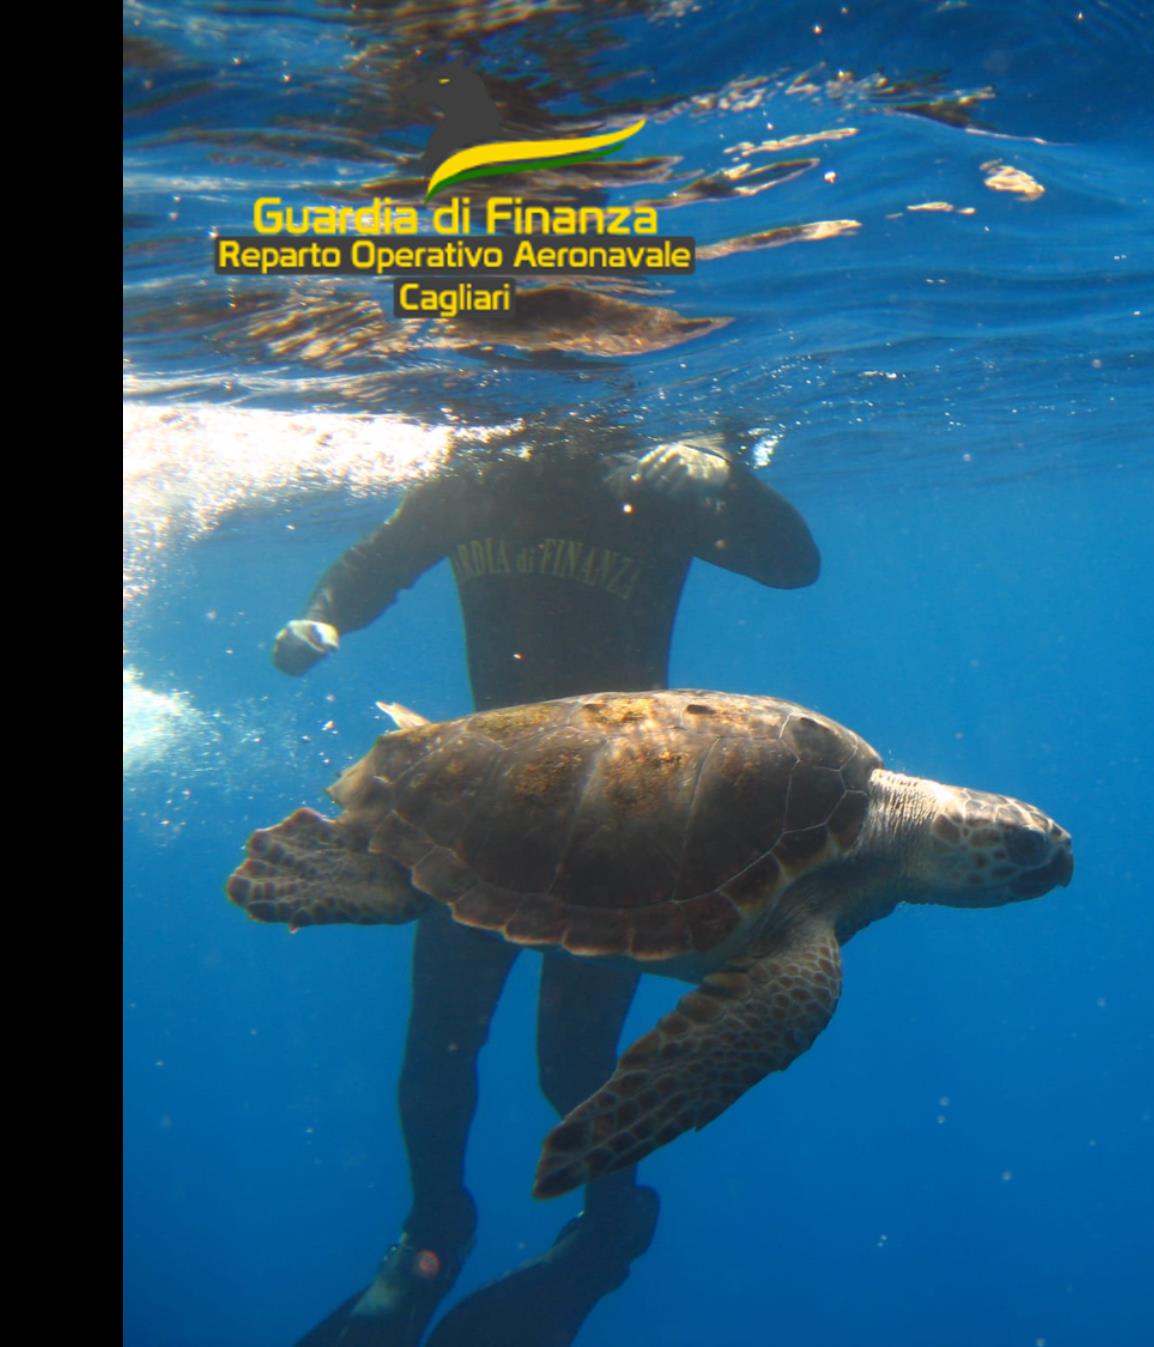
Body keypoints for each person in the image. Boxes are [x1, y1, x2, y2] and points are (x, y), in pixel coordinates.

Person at [271, 420, 821, 1347]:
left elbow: (794, 565)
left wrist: (726, 475)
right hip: (486, 799)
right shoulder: (468, 478)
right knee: (436, 1043)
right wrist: (324, 611)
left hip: (622, 814)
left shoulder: (646, 481)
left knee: (568, 1061)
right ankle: (433, 1232)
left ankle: (610, 1224)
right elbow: (376, 562)